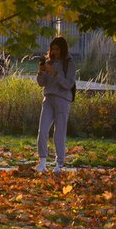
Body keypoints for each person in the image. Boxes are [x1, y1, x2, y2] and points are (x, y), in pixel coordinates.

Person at [36, 36, 77, 173]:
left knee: (59, 133)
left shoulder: (69, 63)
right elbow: (41, 83)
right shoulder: (49, 62)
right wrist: (41, 72)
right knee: (42, 131)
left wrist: (54, 73)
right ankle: (42, 161)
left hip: (62, 100)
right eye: (52, 49)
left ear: (62, 49)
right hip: (48, 99)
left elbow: (68, 84)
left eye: (57, 49)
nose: (54, 52)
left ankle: (59, 164)